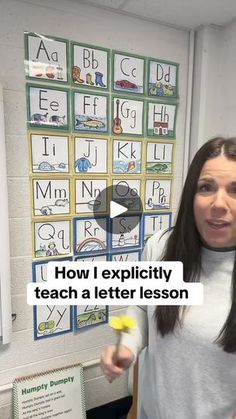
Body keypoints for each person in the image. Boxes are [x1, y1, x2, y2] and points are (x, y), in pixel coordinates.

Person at [101, 137, 236, 419]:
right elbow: (140, 307)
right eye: (206, 188)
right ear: (191, 195)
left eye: (235, 191)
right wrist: (127, 345)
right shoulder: (162, 246)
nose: (218, 203)